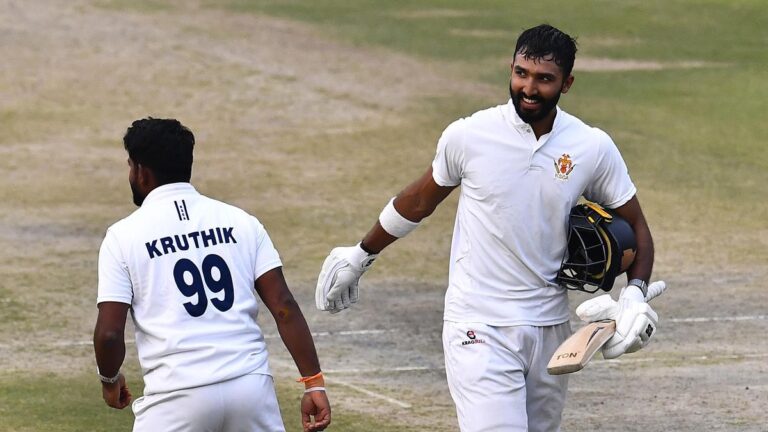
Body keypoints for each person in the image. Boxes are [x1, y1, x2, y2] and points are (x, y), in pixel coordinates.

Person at [315, 24, 662, 432]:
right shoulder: (469, 135)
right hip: (478, 323)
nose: (528, 88)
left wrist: (634, 295)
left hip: (551, 328)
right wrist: (361, 254)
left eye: (544, 79)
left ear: (567, 83)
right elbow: (419, 201)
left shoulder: (591, 146)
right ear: (510, 69)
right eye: (521, 73)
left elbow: (637, 226)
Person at [93, 118, 331, 432]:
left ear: (141, 171)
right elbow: (284, 306)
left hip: (176, 397)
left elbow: (109, 335)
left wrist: (110, 380)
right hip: (250, 390)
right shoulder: (241, 221)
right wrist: (314, 382)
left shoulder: (122, 236)